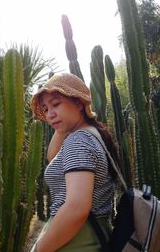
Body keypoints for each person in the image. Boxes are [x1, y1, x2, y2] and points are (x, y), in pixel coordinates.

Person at [30, 73, 119, 252]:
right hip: (90, 237)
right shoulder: (92, 133)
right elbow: (53, 157)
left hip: (77, 243)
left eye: (56, 104)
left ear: (79, 102)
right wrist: (63, 121)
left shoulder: (79, 141)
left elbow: (76, 208)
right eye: (46, 109)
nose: (50, 115)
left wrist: (39, 249)